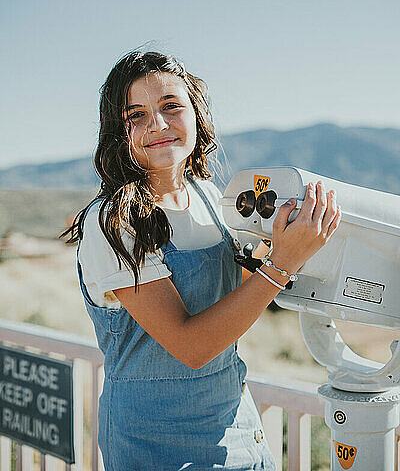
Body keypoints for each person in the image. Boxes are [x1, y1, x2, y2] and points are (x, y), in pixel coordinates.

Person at [60, 50, 341, 471]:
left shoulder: (212, 197)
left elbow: (247, 293)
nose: (156, 124)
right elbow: (191, 347)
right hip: (155, 447)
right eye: (136, 114)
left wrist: (293, 244)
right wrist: (281, 264)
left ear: (196, 113)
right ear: (118, 132)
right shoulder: (113, 223)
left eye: (171, 106)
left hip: (238, 428)